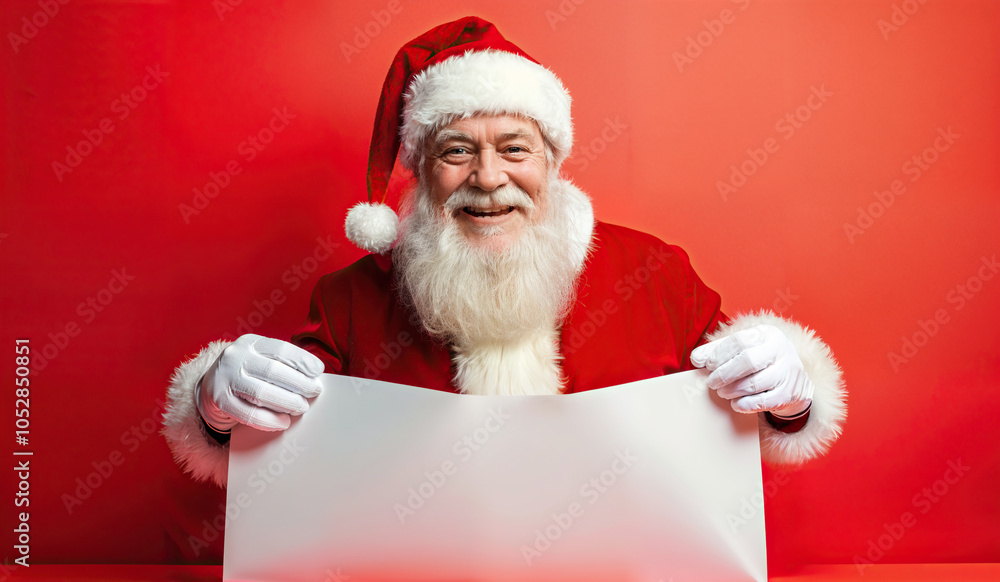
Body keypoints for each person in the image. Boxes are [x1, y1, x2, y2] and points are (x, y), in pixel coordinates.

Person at [161, 16, 847, 489]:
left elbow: (758, 406)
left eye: (514, 149)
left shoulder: (654, 273)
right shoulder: (349, 301)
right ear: (422, 173)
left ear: (552, 161)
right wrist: (213, 407)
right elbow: (268, 428)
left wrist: (792, 393)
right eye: (456, 151)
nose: (488, 178)